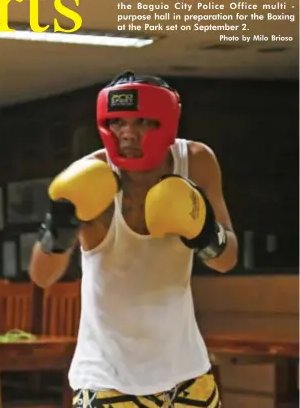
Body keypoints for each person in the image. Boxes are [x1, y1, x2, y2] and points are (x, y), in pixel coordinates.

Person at [29, 71, 237, 407]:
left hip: (188, 373)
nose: (127, 133)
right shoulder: (92, 177)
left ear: (167, 123)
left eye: (142, 121)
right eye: (117, 122)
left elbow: (226, 260)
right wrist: (60, 226)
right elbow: (42, 276)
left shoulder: (195, 163)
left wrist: (203, 232)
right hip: (109, 377)